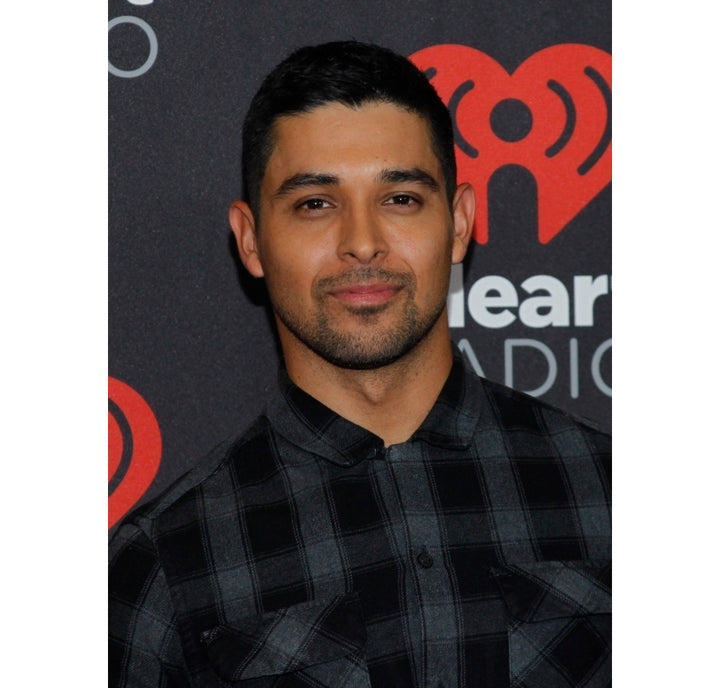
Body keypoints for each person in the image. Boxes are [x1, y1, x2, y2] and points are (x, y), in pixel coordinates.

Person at [109, 41, 611, 688]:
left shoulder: (612, 495)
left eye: (400, 197)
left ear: (459, 223)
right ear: (251, 239)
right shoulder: (162, 568)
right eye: (315, 204)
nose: (363, 242)